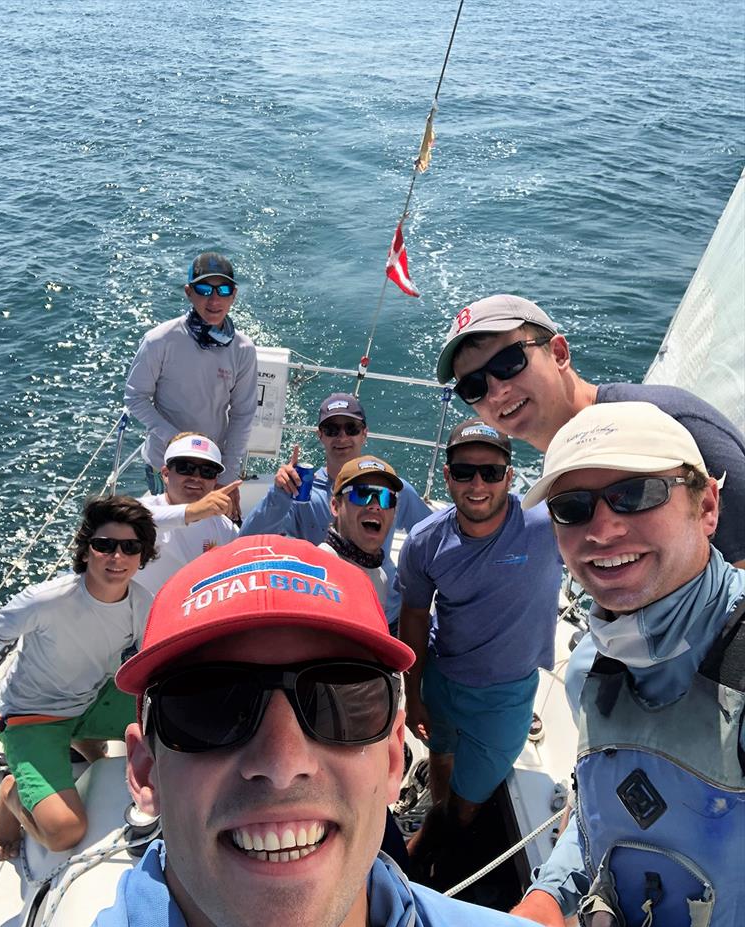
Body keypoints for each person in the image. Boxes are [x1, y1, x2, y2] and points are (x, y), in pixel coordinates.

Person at [0, 534, 670, 927]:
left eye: (342, 700)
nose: (282, 763)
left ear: (395, 753)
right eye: (210, 705)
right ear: (145, 772)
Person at [510, 401, 745, 927]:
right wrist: (548, 897)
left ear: (707, 508)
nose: (603, 527)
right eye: (573, 507)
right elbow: (596, 808)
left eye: (635, 494)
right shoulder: (594, 659)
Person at [435, 293, 745, 566]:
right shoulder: (567, 457)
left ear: (558, 353)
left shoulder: (672, 427)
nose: (496, 391)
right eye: (473, 386)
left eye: (508, 363)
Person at [397, 419, 562, 887]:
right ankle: (436, 823)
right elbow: (413, 617)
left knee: (466, 808)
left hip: (506, 698)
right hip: (442, 680)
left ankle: (428, 849)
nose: (477, 484)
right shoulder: (426, 540)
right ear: (447, 476)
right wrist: (413, 694)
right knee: (442, 757)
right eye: (465, 471)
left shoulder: (547, 527)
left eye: (490, 473)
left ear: (511, 477)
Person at [0, 496, 156, 859]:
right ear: (87, 549)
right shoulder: (46, 600)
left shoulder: (142, 602)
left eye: (129, 547)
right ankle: (10, 794)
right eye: (104, 545)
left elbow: (149, 661)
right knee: (64, 831)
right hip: (33, 718)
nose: (116, 557)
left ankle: (81, 738)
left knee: (168, 720)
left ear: (142, 555)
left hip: (89, 700)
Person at [241, 392, 431, 627]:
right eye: (332, 429)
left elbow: (432, 538)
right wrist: (280, 494)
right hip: (326, 611)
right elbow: (246, 542)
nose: (342, 437)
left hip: (386, 613)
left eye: (351, 428)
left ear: (364, 434)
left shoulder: (394, 488)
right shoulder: (300, 490)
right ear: (320, 436)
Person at [124, 251, 258, 511]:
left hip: (212, 466)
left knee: (207, 537)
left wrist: (228, 475)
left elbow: (243, 414)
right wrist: (175, 439)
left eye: (223, 290)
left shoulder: (243, 349)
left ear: (234, 295)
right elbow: (135, 397)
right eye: (204, 289)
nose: (214, 299)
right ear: (188, 292)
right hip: (164, 461)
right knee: (166, 536)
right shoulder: (159, 340)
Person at [134, 432, 240, 596]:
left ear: (215, 481)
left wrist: (278, 496)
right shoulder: (141, 510)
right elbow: (118, 519)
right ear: (166, 474)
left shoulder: (225, 529)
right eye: (186, 468)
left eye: (207, 471)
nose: (197, 477)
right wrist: (193, 511)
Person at [317, 455, 405, 615]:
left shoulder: (380, 579)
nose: (375, 506)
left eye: (386, 498)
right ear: (335, 506)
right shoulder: (316, 569)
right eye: (362, 494)